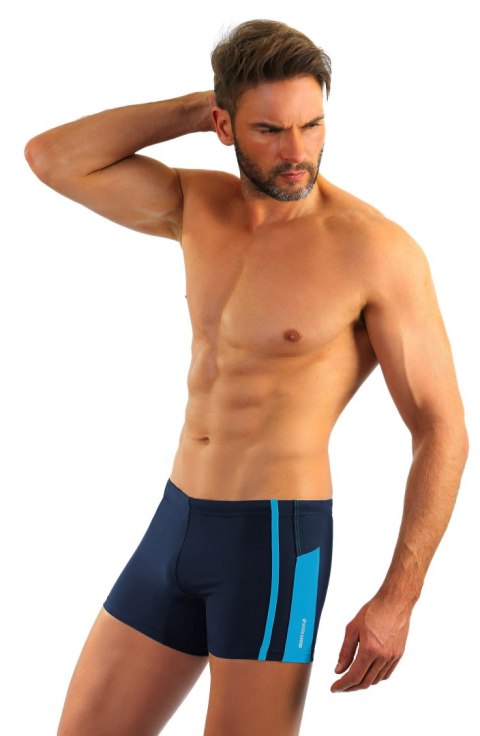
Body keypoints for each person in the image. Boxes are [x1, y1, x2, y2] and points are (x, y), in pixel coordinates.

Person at [25, 18, 469, 736]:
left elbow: (441, 428)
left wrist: (400, 596)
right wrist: (196, 107)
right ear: (224, 125)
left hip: (274, 544)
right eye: (269, 129)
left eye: (311, 125)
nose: (297, 152)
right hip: (175, 521)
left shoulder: (375, 252)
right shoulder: (197, 207)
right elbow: (52, 158)